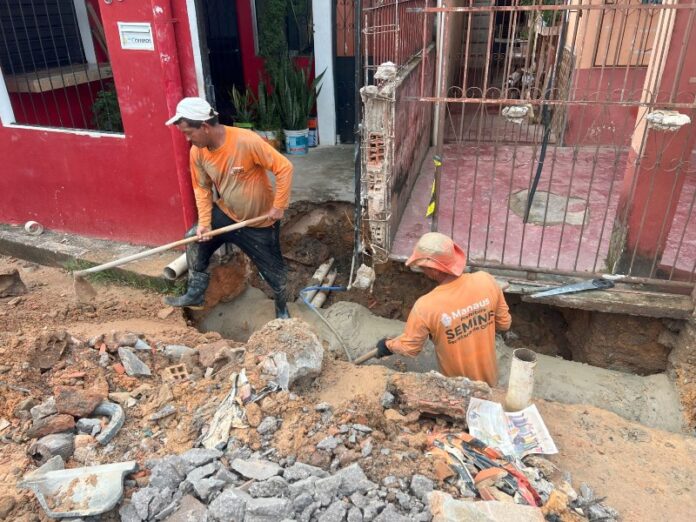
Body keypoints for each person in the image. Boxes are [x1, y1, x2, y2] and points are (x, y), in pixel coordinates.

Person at [164, 97, 293, 318]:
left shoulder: (245, 141)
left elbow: (284, 168)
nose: (187, 138)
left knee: (275, 274)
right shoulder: (197, 152)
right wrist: (205, 224)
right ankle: (196, 293)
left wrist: (279, 205)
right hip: (227, 213)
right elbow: (202, 188)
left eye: (188, 133)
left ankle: (282, 310)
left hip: (260, 222)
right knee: (194, 238)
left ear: (204, 126)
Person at [375, 232, 511, 386]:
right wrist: (477, 320)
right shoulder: (486, 280)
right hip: (489, 383)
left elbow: (410, 348)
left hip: (457, 388)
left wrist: (387, 345)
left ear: (434, 270)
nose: (422, 270)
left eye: (422, 267)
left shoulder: (425, 307)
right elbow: (504, 324)